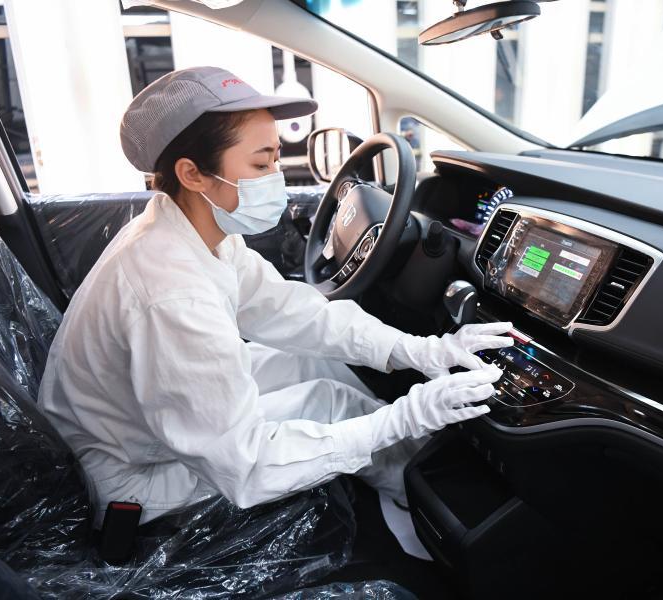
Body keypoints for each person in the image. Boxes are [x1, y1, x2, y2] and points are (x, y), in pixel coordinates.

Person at [37, 66, 512, 531]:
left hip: (139, 426)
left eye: (276, 160)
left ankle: (404, 463)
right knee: (333, 402)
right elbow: (250, 469)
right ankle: (429, 512)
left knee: (314, 362)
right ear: (193, 174)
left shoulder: (192, 230)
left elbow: (287, 309)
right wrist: (405, 417)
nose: (275, 176)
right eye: (261, 164)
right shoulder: (171, 294)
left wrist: (417, 350)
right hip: (132, 478)